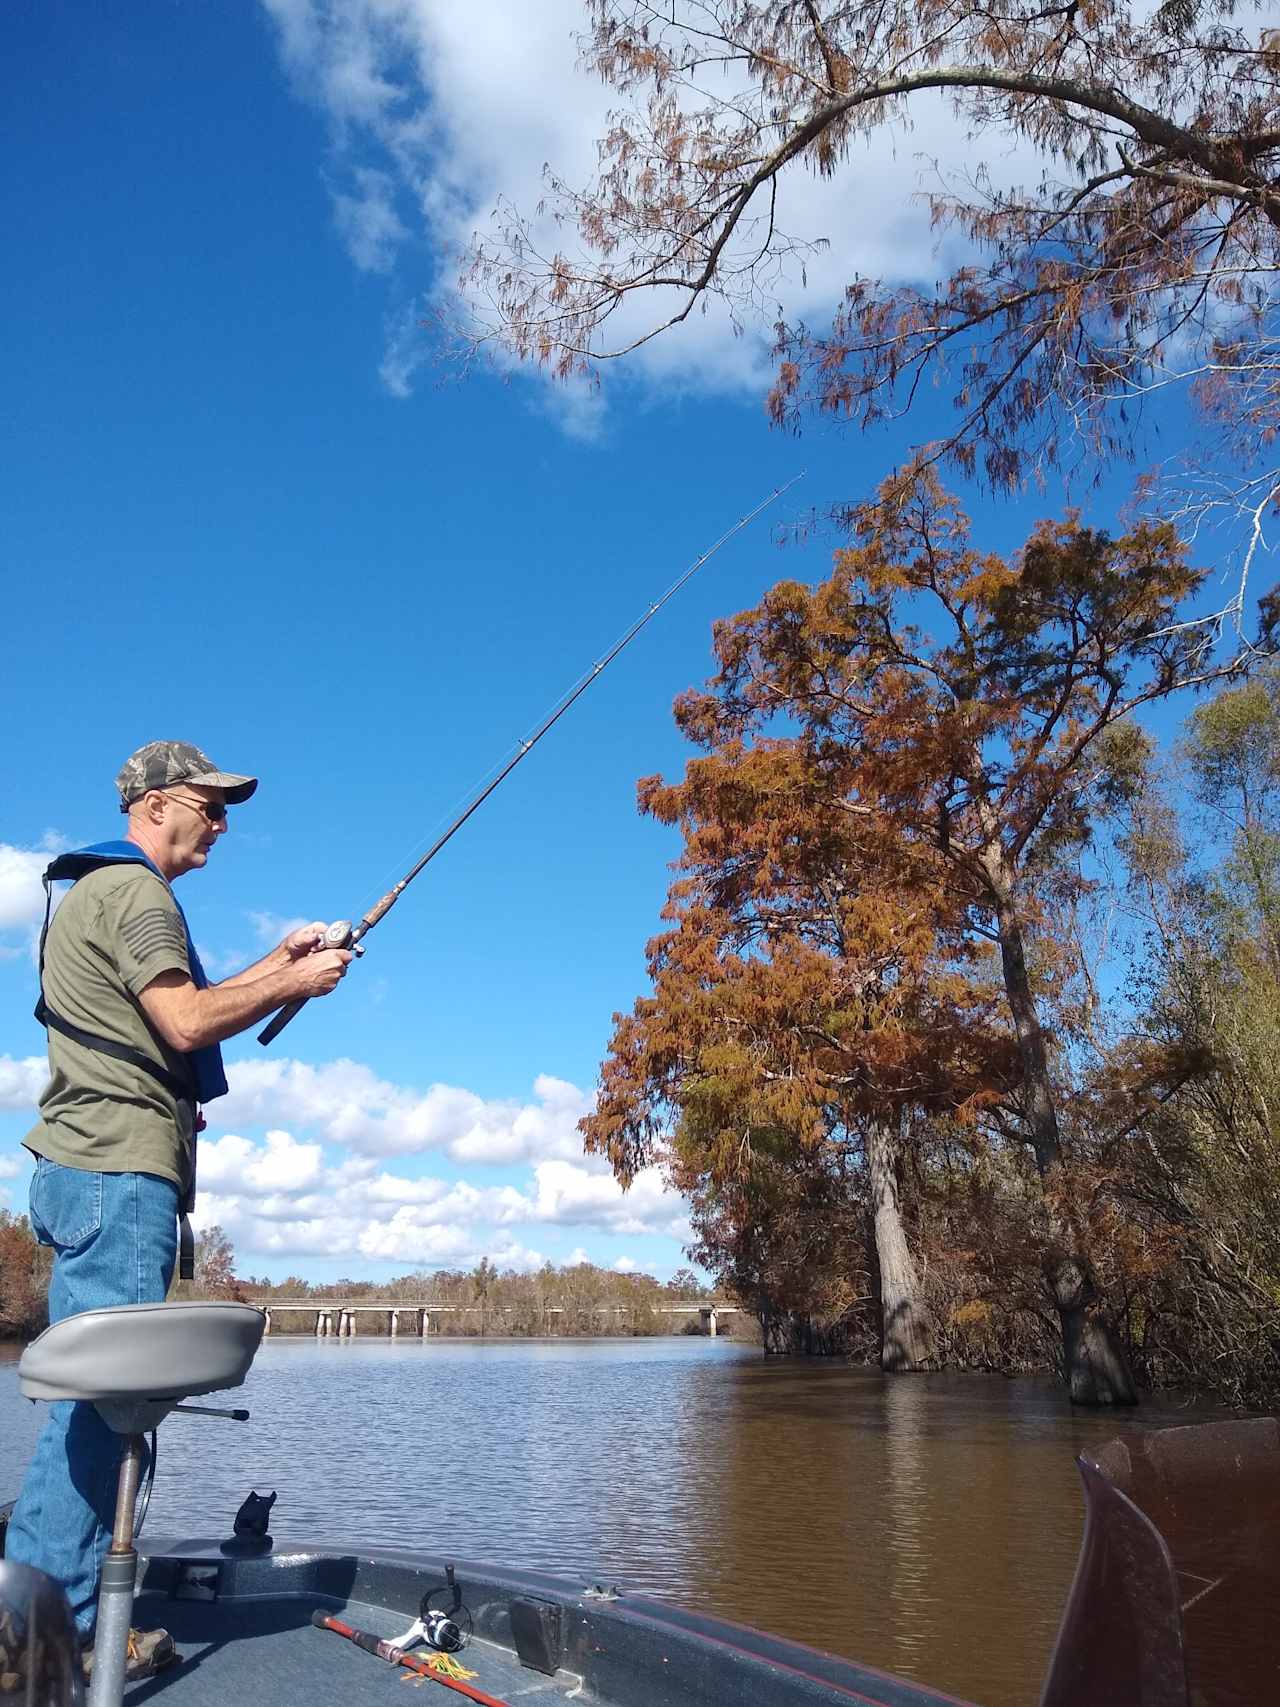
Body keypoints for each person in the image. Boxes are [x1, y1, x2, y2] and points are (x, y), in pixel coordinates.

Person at [4, 740, 352, 1679]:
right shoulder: (137, 893)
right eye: (212, 803)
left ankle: (44, 1622)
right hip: (118, 1176)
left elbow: (174, 1004)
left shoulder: (103, 893)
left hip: (98, 1174)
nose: (224, 822)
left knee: (101, 1402)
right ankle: (46, 1637)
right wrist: (297, 981)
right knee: (107, 1407)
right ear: (158, 804)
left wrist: (273, 958)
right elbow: (188, 1023)